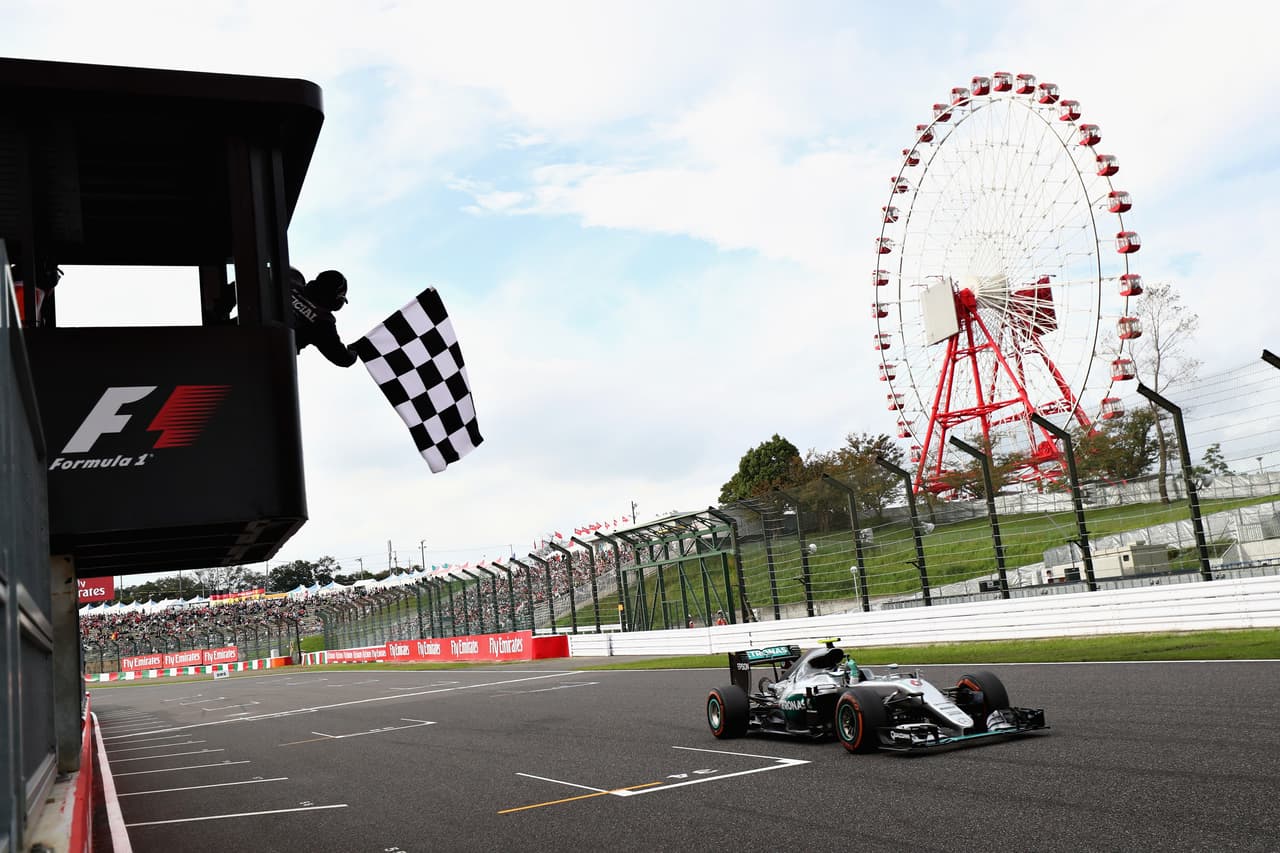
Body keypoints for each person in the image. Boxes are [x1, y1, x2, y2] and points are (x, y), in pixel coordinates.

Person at [291, 268, 357, 367]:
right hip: (272, 354)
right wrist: (354, 351)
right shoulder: (322, 322)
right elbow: (343, 359)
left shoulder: (288, 282)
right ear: (336, 298)